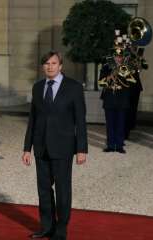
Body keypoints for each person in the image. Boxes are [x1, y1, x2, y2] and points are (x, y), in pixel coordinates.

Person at [22, 50, 88, 240]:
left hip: (63, 147)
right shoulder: (37, 87)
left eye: (53, 63)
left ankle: (61, 229)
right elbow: (32, 120)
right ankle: (46, 227)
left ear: (60, 66)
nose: (49, 67)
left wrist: (81, 149)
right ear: (43, 67)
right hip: (41, 147)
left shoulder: (74, 88)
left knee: (62, 190)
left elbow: (80, 121)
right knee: (43, 190)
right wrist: (27, 148)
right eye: (46, 64)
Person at [98, 32, 135, 153]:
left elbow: (132, 82)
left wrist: (123, 72)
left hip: (122, 98)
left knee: (120, 123)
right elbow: (101, 83)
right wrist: (109, 77)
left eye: (120, 57)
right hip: (109, 98)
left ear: (123, 57)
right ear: (113, 56)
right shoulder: (106, 67)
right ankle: (110, 145)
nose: (118, 58)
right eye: (116, 56)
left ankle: (119, 145)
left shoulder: (127, 67)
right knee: (110, 124)